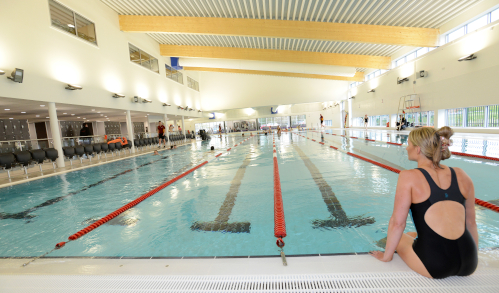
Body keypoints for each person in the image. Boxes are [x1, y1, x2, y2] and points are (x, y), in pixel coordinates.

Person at [370, 127, 478, 279]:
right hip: (469, 261)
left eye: (408, 144)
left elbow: (397, 223)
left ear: (418, 149)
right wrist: (474, 256)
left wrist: (386, 256)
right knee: (413, 234)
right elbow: (471, 223)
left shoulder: (408, 176)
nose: (406, 147)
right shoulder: (461, 174)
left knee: (399, 237)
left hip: (436, 265)